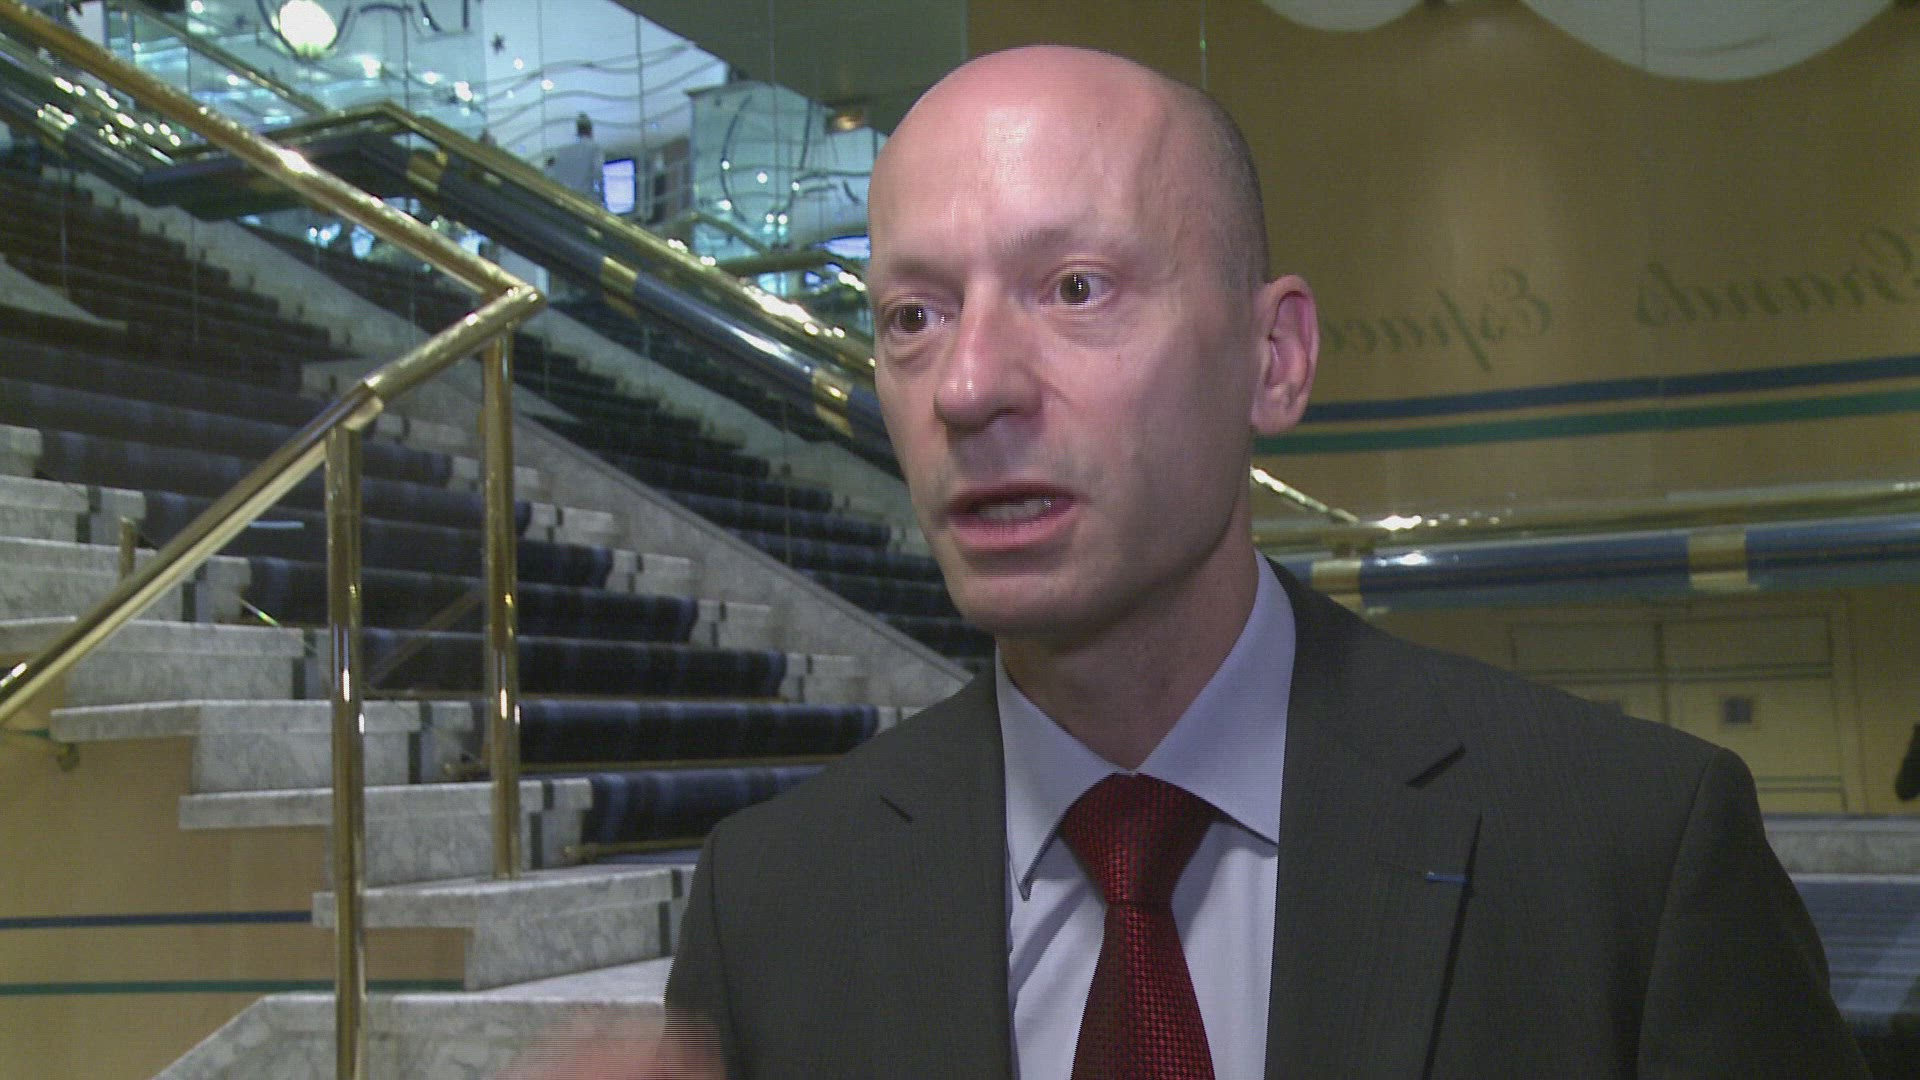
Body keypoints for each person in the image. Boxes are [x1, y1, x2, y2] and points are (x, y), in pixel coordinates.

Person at [518, 44, 1868, 1079]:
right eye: (913, 316)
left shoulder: (1629, 857)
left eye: (1076, 288)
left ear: (1273, 359)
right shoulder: (773, 906)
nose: (969, 386)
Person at [547, 112, 605, 207]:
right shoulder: (594, 148)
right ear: (590, 131)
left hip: (566, 201)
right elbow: (598, 173)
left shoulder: (561, 151)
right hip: (586, 201)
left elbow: (550, 173)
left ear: (577, 131)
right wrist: (603, 196)